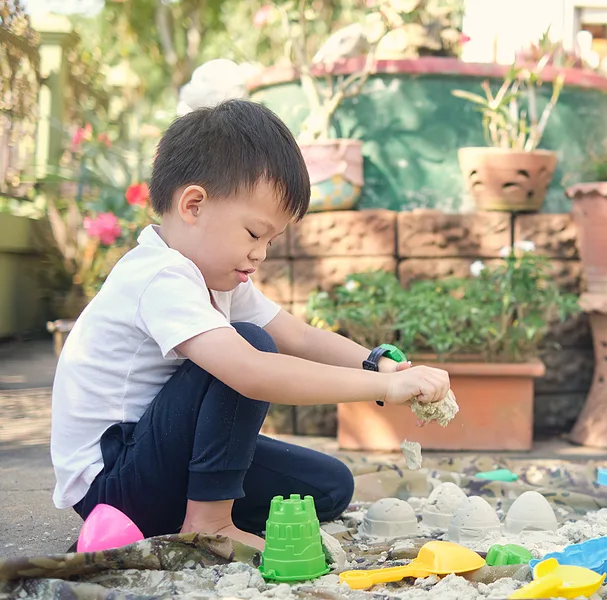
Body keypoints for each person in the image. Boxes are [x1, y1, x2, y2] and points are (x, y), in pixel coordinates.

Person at [50, 99, 450, 552]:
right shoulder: (160, 276)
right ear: (194, 205)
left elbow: (297, 335)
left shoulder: (219, 277)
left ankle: (195, 511)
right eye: (255, 234)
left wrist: (378, 367)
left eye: (272, 240)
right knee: (247, 344)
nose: (261, 253)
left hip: (160, 463)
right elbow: (251, 370)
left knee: (328, 486)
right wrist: (379, 390)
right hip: (115, 486)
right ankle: (209, 522)